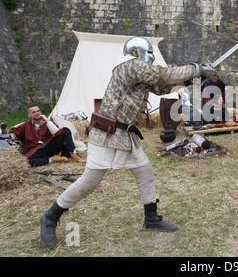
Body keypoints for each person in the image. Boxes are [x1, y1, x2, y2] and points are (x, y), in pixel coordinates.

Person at [39, 36, 216, 248]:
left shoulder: (138, 73)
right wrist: (196, 68)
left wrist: (192, 78)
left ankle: (151, 218)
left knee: (144, 171)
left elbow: (162, 87)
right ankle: (50, 216)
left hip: (125, 135)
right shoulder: (129, 66)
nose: (151, 57)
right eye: (149, 53)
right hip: (106, 133)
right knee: (90, 181)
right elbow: (162, 74)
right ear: (138, 53)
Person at [8, 105, 86, 166]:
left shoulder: (48, 123)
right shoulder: (25, 125)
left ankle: (74, 155)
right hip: (36, 151)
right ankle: (52, 159)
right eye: (34, 112)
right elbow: (13, 135)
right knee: (25, 162)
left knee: (65, 131)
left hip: (48, 147)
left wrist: (47, 121)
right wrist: (6, 135)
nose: (37, 113)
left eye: (38, 111)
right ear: (29, 115)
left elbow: (57, 133)